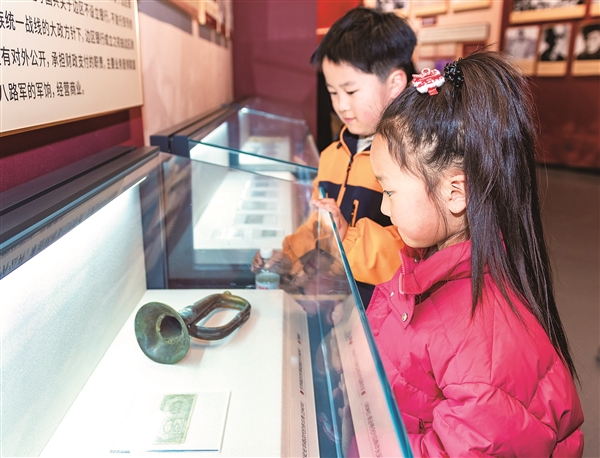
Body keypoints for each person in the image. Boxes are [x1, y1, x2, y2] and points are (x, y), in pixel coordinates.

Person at [368, 52, 584, 456]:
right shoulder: (427, 263)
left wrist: (363, 443)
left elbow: (466, 448)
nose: (383, 206)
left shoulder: (481, 340)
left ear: (456, 192)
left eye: (389, 190)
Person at [252, 7, 416, 306]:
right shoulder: (332, 155)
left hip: (384, 307)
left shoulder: (411, 160)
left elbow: (415, 253)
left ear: (395, 84)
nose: (341, 105)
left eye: (350, 92)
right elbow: (319, 224)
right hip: (339, 300)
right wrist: (289, 255)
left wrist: (348, 236)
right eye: (333, 92)